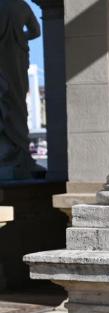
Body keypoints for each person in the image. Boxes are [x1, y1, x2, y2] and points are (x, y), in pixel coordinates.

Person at [0, 0, 41, 179]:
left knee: (4, 104)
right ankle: (20, 151)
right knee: (18, 105)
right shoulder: (23, 6)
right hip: (18, 62)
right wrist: (21, 36)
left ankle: (6, 152)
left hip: (2, 65)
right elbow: (36, 31)